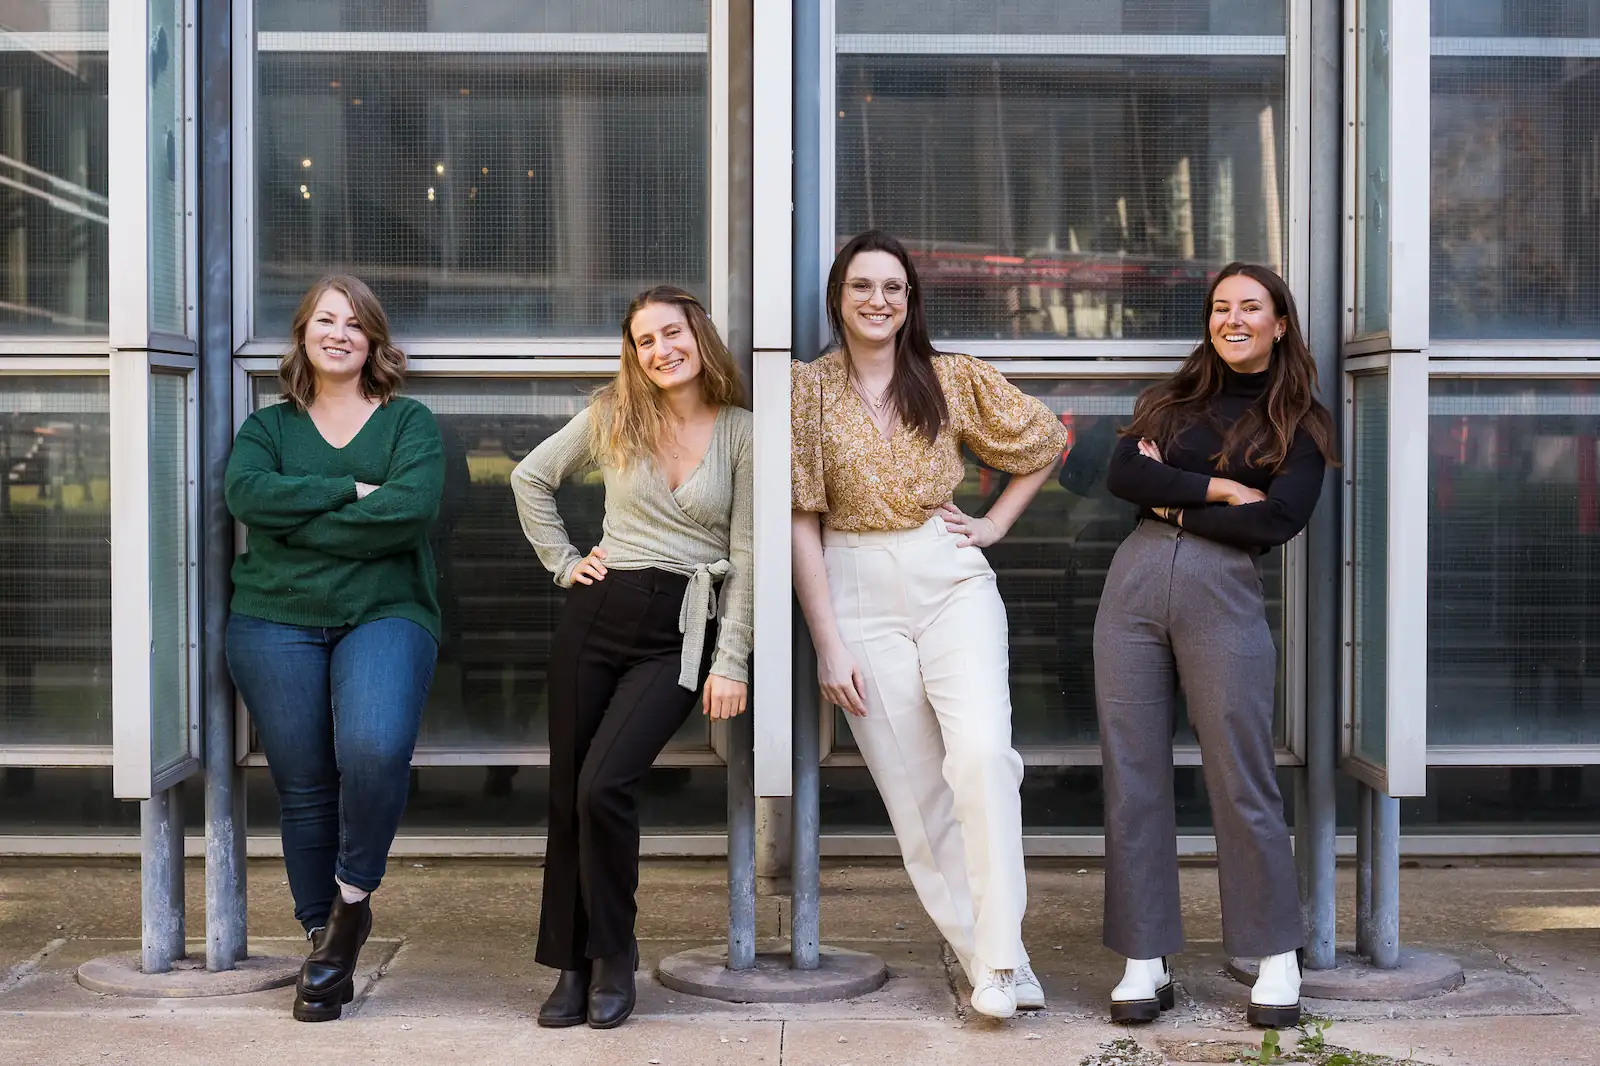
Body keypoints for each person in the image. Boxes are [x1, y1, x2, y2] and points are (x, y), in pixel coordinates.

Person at [790, 230, 1068, 1019]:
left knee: (981, 758)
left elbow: (1045, 441)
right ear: (839, 298)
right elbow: (800, 522)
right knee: (917, 795)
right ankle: (993, 962)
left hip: (948, 577)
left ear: (910, 302)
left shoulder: (950, 379)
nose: (878, 301)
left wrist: (996, 523)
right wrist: (828, 641)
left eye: (894, 289)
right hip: (852, 585)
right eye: (862, 287)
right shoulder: (807, 391)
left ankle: (1002, 954)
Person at [1095, 262, 1335, 1028]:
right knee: (1132, 773)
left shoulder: (1302, 422)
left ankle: (1272, 953)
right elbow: (1120, 471)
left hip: (1225, 597)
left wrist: (1172, 504)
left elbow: (1276, 522)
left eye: (1251, 307)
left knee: (1243, 775)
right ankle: (1144, 955)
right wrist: (1224, 489)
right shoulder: (1170, 402)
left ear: (1280, 323)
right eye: (1221, 307)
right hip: (1130, 593)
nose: (1234, 318)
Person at [512, 285, 752, 1030]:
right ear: (634, 354)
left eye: (671, 333)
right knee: (567, 796)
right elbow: (530, 476)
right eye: (645, 341)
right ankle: (572, 967)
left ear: (698, 337)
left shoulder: (743, 432)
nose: (660, 350)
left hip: (680, 633)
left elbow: (748, 555)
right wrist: (562, 560)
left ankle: (614, 953)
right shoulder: (616, 416)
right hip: (598, 615)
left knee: (603, 787)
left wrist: (732, 659)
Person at [224, 274, 444, 1022]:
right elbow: (247, 497)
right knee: (305, 782)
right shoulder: (268, 429)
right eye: (326, 320)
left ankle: (353, 902)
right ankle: (325, 942)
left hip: (387, 611)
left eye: (356, 323)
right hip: (272, 619)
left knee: (375, 749)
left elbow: (408, 511)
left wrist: (300, 520)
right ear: (303, 334)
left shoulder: (408, 421)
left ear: (374, 341)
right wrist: (352, 492)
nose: (340, 333)